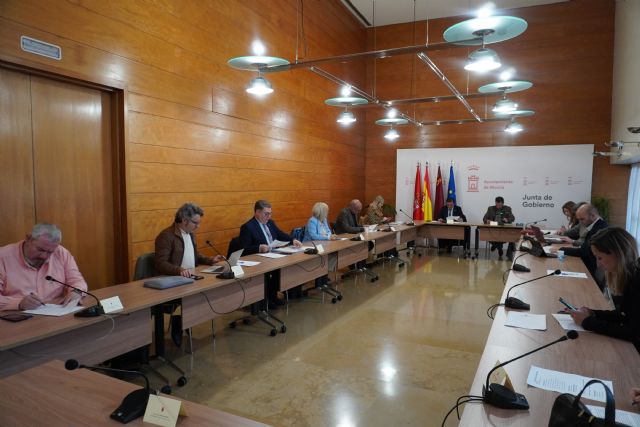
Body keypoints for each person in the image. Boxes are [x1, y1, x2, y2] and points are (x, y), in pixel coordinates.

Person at [568, 227, 640, 351]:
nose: (598, 264)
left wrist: (587, 322)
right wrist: (593, 313)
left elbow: (633, 332)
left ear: (617, 253)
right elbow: (626, 315)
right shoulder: (632, 274)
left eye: (599, 258)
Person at [0, 223, 87, 311]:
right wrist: (18, 303)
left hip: (56, 312)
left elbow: (77, 280)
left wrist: (76, 292)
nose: (44, 256)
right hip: (17, 315)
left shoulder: (61, 253)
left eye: (50, 252)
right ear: (28, 238)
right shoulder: (2, 257)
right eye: (40, 250)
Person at [239, 200, 302, 307]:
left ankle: (273, 297)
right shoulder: (248, 227)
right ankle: (265, 300)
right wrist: (259, 248)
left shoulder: (270, 223)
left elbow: (280, 234)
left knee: (286, 268)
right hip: (258, 261)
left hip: (272, 256)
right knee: (272, 272)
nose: (269, 216)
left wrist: (292, 240)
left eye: (270, 213)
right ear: (257, 212)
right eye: (266, 214)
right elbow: (243, 249)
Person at [154, 202, 223, 277]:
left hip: (191, 275)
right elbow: (161, 263)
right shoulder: (166, 236)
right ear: (184, 221)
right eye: (195, 223)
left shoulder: (190, 233)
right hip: (174, 278)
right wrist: (179, 270)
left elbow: (194, 255)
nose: (198, 226)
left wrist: (210, 260)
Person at [559, 203, 608, 287]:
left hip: (591, 270)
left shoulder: (599, 229)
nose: (580, 222)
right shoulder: (595, 225)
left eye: (582, 219)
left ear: (593, 215)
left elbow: (585, 251)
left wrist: (561, 249)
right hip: (589, 265)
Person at [303, 202, 338, 289]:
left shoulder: (324, 219)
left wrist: (330, 236)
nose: (328, 212)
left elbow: (328, 230)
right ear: (322, 211)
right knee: (322, 257)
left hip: (323, 244)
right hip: (310, 245)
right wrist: (328, 238)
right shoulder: (312, 221)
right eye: (327, 210)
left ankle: (324, 277)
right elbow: (313, 236)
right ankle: (320, 279)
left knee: (331, 254)